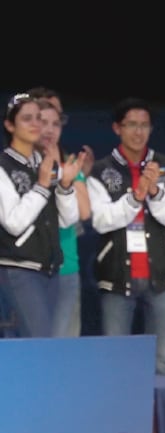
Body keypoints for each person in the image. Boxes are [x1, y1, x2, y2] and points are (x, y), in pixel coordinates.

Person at [88, 97, 165, 375]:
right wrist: (135, 197)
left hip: (162, 276)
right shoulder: (100, 170)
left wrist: (154, 192)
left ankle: (156, 420)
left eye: (144, 125)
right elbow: (100, 220)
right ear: (116, 128)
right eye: (131, 124)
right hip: (116, 274)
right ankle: (117, 419)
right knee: (115, 361)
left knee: (160, 362)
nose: (138, 131)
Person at [0, 93, 82, 338]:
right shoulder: (3, 166)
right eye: (27, 119)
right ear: (10, 125)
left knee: (46, 343)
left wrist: (66, 186)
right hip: (18, 268)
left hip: (51, 269)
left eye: (39, 118)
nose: (36, 124)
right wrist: (42, 186)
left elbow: (69, 220)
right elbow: (14, 223)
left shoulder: (45, 164)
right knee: (41, 339)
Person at [32, 91, 91, 338]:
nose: (49, 130)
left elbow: (85, 212)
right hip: (30, 270)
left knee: (64, 346)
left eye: (56, 124)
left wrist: (65, 172)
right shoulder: (19, 164)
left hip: (66, 266)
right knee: (33, 346)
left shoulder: (68, 164)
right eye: (43, 122)